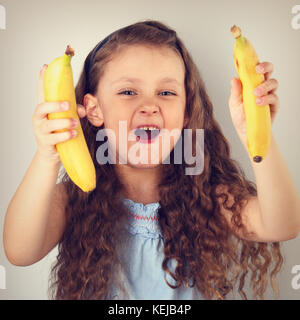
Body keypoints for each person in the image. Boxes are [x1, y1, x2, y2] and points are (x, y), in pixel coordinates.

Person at [3, 20, 300, 300]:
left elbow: (282, 225)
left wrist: (258, 138)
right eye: (128, 91)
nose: (149, 105)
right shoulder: (72, 199)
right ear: (94, 110)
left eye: (167, 92)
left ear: (186, 112)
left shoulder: (209, 193)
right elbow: (19, 252)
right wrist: (46, 156)